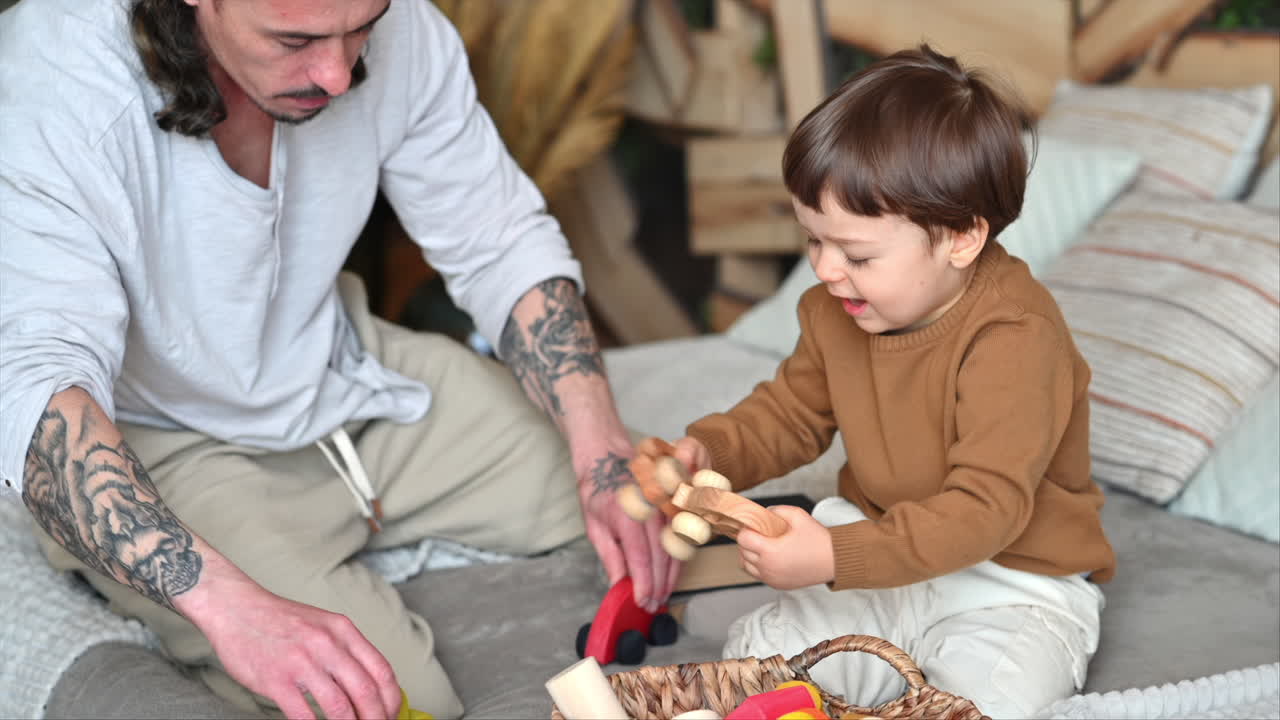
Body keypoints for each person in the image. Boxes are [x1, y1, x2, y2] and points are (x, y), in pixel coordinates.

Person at [0, 0, 678, 717]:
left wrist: (601, 448)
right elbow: (37, 393)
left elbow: (497, 236)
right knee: (385, 698)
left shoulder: (389, 22)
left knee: (643, 518)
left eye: (363, 29)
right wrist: (234, 611)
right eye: (295, 39)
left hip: (343, 366)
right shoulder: (50, 87)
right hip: (159, 438)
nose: (339, 73)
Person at [651, 46, 1116, 718]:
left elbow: (986, 509)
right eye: (813, 240)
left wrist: (832, 555)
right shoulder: (838, 310)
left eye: (856, 253)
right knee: (759, 662)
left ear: (961, 237)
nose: (826, 270)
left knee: (981, 702)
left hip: (1010, 581)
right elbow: (789, 415)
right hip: (878, 555)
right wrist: (708, 454)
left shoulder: (1016, 337)